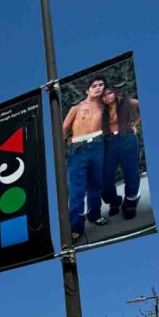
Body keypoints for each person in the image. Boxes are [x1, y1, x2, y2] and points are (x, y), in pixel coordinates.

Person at [62, 76, 111, 243]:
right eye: (94, 85)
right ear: (87, 90)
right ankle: (76, 227)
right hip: (79, 148)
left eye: (101, 85)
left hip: (98, 145)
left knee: (96, 185)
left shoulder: (106, 107)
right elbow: (63, 129)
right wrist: (61, 149)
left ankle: (94, 215)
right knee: (77, 191)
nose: (98, 87)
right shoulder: (76, 108)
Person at [100, 85, 142, 219]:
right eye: (104, 96)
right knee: (105, 176)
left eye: (109, 93)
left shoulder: (126, 102)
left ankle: (130, 202)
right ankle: (113, 201)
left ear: (114, 93)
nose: (107, 97)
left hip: (127, 138)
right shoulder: (101, 110)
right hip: (109, 142)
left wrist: (134, 125)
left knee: (131, 172)